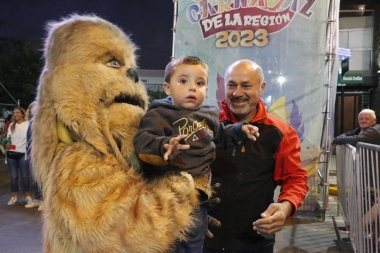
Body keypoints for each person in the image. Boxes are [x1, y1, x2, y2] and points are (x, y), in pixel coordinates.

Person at [133, 55, 259, 253]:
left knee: (194, 244)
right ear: (167, 87)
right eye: (183, 81)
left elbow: (221, 135)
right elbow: (143, 141)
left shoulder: (208, 115)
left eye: (199, 83)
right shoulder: (158, 114)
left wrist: (239, 130)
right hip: (167, 196)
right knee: (166, 245)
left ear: (206, 89)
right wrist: (165, 145)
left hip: (198, 197)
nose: (192, 87)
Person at [203, 59, 309, 253]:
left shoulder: (281, 132)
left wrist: (285, 207)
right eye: (232, 85)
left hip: (254, 240)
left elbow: (295, 178)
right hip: (204, 238)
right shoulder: (206, 125)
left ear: (262, 88)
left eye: (246, 86)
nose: (237, 93)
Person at [4, 107, 33, 206]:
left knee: (25, 177)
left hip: (23, 155)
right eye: (14, 113)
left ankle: (27, 196)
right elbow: (7, 137)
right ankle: (14, 196)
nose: (15, 114)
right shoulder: (11, 125)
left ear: (23, 114)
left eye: (17, 112)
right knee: (13, 177)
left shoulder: (28, 124)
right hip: (11, 154)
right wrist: (7, 142)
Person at [24, 101, 43, 210]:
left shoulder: (41, 122)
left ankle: (43, 200)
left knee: (41, 178)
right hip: (31, 154)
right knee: (34, 178)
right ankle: (36, 199)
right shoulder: (30, 122)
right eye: (31, 108)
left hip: (40, 154)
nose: (33, 109)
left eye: (36, 107)